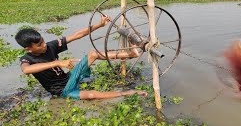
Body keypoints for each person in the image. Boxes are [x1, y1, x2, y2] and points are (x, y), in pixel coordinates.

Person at [15, 15, 147, 100]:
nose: (44, 45)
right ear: (28, 49)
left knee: (92, 54)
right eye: (39, 45)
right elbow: (26, 70)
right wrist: (58, 63)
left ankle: (131, 54)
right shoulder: (27, 59)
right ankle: (126, 93)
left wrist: (99, 25)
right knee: (91, 95)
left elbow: (76, 35)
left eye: (43, 41)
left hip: (69, 78)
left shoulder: (50, 46)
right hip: (62, 90)